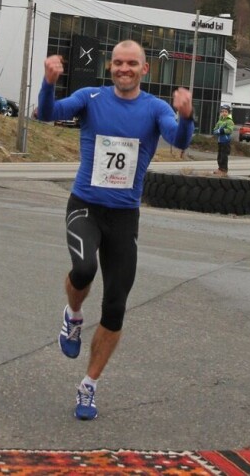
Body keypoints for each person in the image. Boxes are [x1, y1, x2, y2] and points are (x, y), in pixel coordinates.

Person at [36, 40, 195, 421]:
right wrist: (48, 82)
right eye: (119, 63)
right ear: (111, 67)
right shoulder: (90, 97)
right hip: (86, 206)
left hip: (124, 217)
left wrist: (186, 115)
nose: (124, 69)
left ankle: (89, 385)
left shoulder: (155, 108)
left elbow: (180, 139)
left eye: (132, 64)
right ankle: (73, 315)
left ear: (144, 70)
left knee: (115, 306)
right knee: (84, 270)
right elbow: (47, 113)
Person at [212, 104, 235, 175]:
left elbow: (230, 130)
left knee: (224, 156)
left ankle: (224, 169)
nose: (224, 113)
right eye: (222, 111)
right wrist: (217, 131)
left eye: (225, 112)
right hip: (220, 141)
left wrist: (223, 131)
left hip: (226, 141)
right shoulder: (220, 121)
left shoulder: (229, 121)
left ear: (228, 113)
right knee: (219, 155)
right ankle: (220, 168)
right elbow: (215, 129)